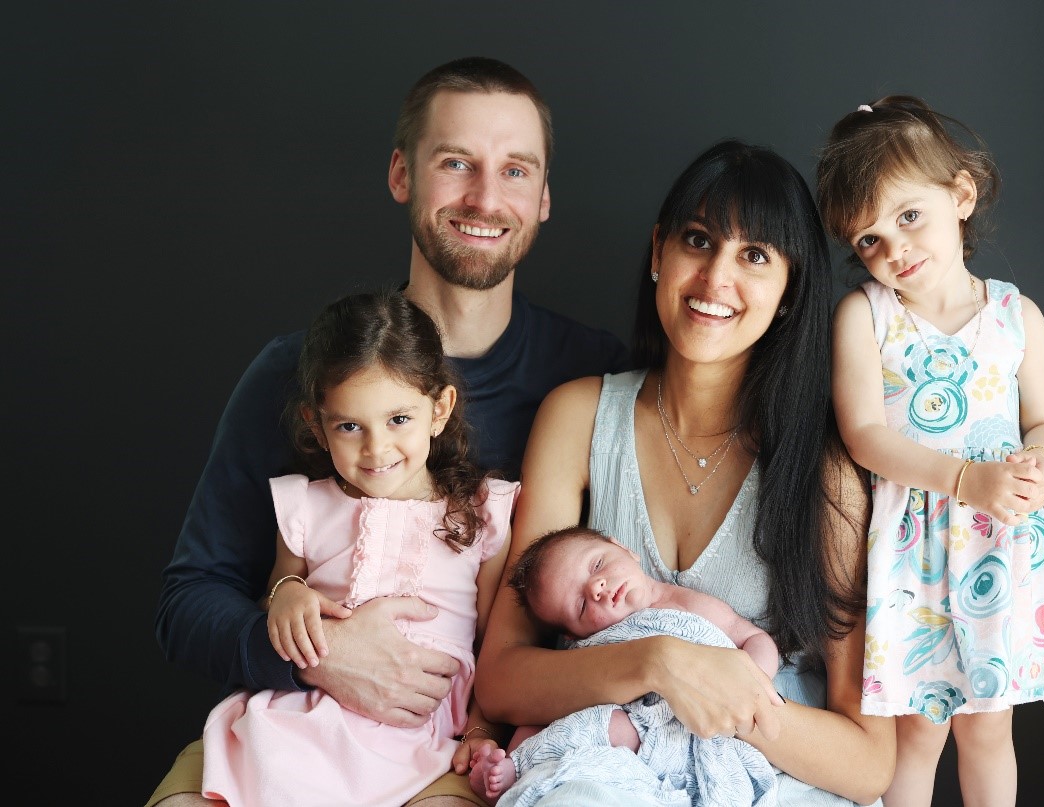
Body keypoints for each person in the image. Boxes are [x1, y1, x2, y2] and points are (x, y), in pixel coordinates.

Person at [148, 56, 630, 807]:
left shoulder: (596, 381)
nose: (484, 196)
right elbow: (187, 602)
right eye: (456, 163)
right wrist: (320, 655)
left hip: (457, 761)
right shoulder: (301, 372)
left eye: (515, 171)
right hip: (292, 733)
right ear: (402, 175)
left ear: (542, 199)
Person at [476, 139, 896, 807]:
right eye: (698, 240)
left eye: (754, 255)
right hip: (614, 765)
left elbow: (871, 761)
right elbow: (500, 678)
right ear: (658, 253)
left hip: (772, 777)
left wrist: (729, 701)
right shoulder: (579, 416)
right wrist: (660, 662)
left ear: (790, 290)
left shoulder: (823, 466)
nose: (715, 278)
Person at [814, 95, 1044, 807]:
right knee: (917, 734)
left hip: (998, 545)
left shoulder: (1015, 316)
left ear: (959, 194)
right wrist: (965, 477)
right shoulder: (866, 315)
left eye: (907, 218)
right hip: (914, 556)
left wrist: (1039, 464)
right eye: (868, 239)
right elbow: (864, 434)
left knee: (989, 732)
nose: (892, 250)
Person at [201, 290, 516, 806]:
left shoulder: (480, 514)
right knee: (277, 765)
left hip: (424, 731)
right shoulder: (305, 506)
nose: (376, 450)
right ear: (317, 425)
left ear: (440, 409)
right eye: (350, 426)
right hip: (315, 713)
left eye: (398, 420)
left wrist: (482, 731)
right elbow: (278, 589)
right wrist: (287, 596)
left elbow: (494, 640)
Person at [469, 525, 781, 806]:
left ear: (623, 548)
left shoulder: (691, 604)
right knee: (570, 723)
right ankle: (514, 768)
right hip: (623, 742)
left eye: (597, 565)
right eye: (581, 604)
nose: (596, 587)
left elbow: (752, 637)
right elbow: (544, 710)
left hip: (690, 728)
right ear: (575, 634)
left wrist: (755, 678)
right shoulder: (593, 651)